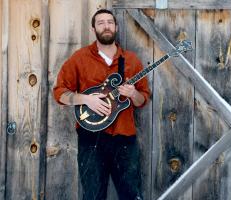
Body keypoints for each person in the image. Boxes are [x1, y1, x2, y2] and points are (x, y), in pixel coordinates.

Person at [53, 9, 150, 200]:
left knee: (131, 195)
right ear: (93, 28)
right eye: (101, 23)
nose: (106, 26)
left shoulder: (131, 61)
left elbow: (142, 100)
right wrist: (85, 99)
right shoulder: (79, 59)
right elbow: (59, 93)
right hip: (91, 139)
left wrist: (133, 93)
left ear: (116, 27)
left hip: (124, 138)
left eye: (110, 22)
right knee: (93, 195)